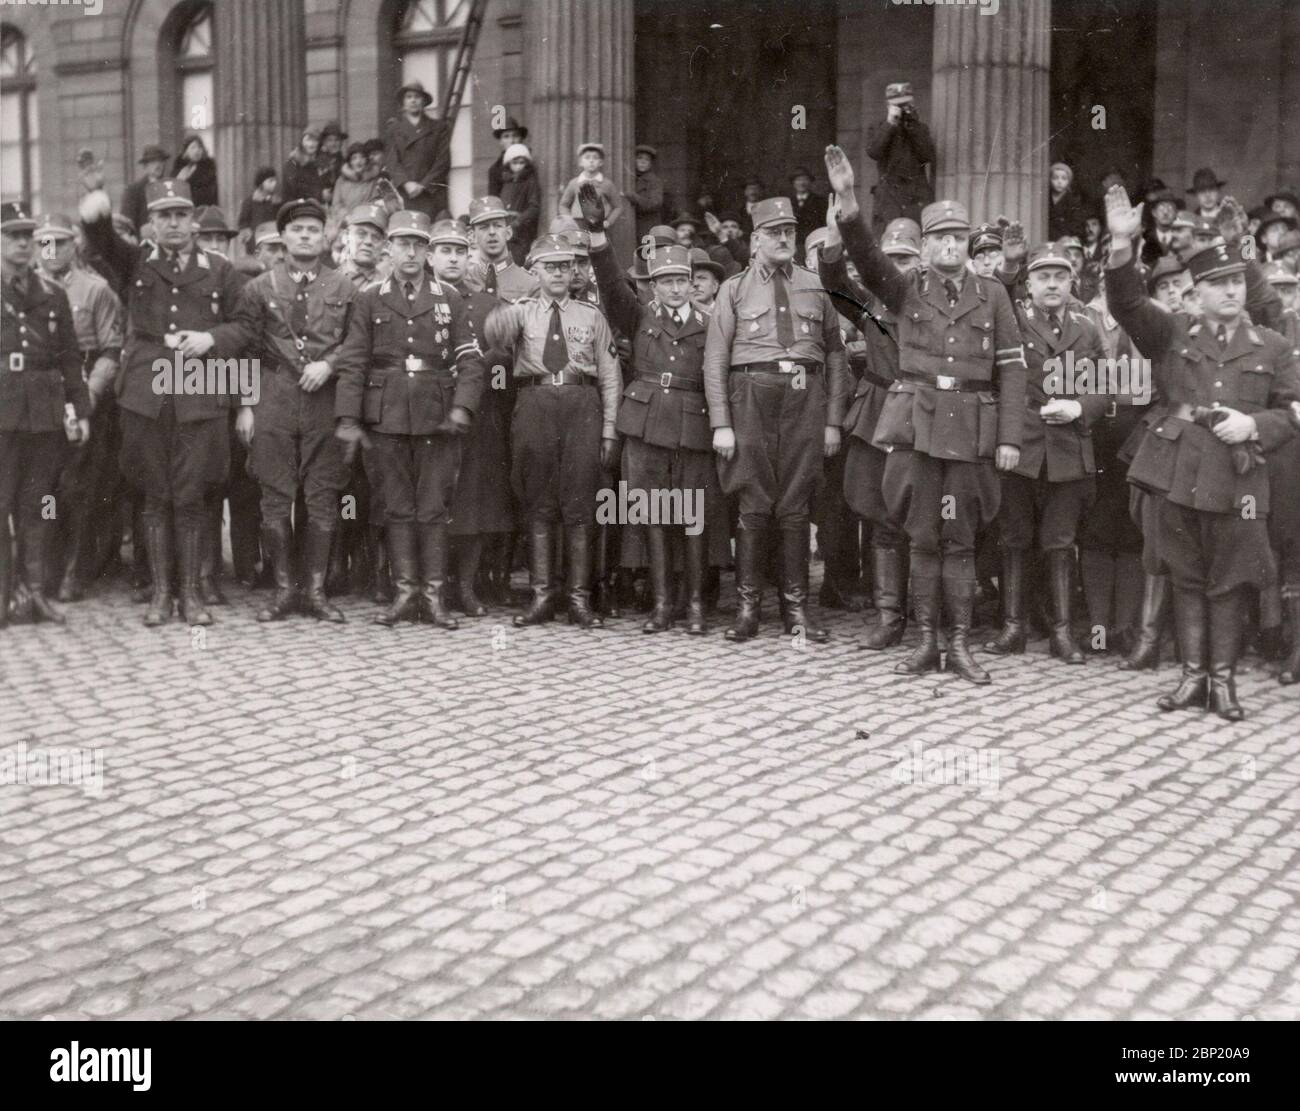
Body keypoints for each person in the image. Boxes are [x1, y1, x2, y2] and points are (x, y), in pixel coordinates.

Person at [824, 143, 1027, 685]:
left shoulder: (994, 295)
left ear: (966, 243)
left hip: (971, 427)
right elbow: (866, 258)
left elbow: (1011, 369)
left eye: (958, 238)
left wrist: (1009, 437)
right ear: (926, 245)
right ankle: (925, 642)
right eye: (939, 238)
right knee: (920, 535)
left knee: (959, 539)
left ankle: (960, 644)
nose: (949, 247)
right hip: (916, 426)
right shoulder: (906, 289)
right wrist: (846, 198)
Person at [1104, 183, 1300, 721]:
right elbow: (1124, 302)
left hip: (1239, 478)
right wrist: (1123, 245)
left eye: (1237, 281)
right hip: (1179, 470)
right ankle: (1192, 678)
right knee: (1185, 575)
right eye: (1219, 284)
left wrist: (1254, 424)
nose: (1232, 292)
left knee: (1231, 580)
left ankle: (1224, 683)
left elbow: (1293, 412)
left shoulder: (1272, 346)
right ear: (1197, 291)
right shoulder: (1171, 334)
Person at [79, 177, 245, 627]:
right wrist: (95, 212)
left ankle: (191, 595)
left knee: (190, 496)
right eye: (163, 216)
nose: (173, 224)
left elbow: (245, 327)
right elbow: (103, 241)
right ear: (150, 224)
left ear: (193, 220)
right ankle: (160, 594)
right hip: (147, 393)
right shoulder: (136, 263)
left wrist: (210, 337)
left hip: (199, 390)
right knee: (154, 495)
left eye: (180, 215)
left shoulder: (219, 269)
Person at [703, 196, 848, 644]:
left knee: (796, 501)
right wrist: (721, 423)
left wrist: (833, 421)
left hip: (805, 396)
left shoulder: (815, 285)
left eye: (789, 231)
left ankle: (796, 607)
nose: (784, 238)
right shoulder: (733, 289)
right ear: (755, 240)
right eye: (774, 232)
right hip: (750, 393)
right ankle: (749, 607)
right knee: (752, 498)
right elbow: (715, 359)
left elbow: (836, 354)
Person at [334, 210, 486, 627]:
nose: (412, 252)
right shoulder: (370, 297)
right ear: (389, 248)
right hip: (384, 415)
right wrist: (349, 416)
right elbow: (353, 361)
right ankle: (404, 594)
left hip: (438, 414)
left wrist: (463, 406)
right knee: (397, 507)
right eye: (404, 243)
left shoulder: (449, 298)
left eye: (420, 244)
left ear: (429, 252)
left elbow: (470, 360)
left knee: (433, 507)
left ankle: (433, 596)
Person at [582, 184, 715, 634]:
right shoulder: (638, 316)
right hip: (644, 424)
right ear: (653, 286)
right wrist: (597, 233)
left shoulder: (710, 324)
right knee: (654, 514)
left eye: (682, 281)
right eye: (666, 282)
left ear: (692, 284)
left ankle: (694, 606)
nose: (675, 289)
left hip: (694, 426)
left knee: (692, 516)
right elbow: (609, 283)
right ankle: (662, 606)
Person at [226, 198, 357, 623]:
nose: (305, 236)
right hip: (274, 394)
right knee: (275, 495)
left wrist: (330, 364)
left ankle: (315, 592)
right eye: (297, 229)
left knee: (323, 495)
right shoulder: (258, 288)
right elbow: (244, 350)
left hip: (324, 399)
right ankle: (284, 591)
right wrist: (246, 407)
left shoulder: (344, 287)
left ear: (325, 238)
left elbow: (357, 345)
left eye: (313, 230)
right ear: (283, 237)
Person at [483, 234, 621, 629]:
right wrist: (502, 318)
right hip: (534, 405)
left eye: (565, 266)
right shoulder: (521, 312)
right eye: (550, 266)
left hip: (582, 405)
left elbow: (610, 376)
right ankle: (542, 596)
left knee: (581, 507)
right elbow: (493, 339)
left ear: (574, 271)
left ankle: (579, 599)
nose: (559, 273)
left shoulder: (591, 315)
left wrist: (609, 430)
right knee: (538, 504)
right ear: (535, 271)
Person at [983, 235, 1108, 664]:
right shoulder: (1012, 321)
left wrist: (1080, 405)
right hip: (1020, 445)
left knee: (1060, 541)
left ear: (1072, 283)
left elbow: (1110, 384)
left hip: (1068, 447)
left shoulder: (1087, 328)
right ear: (1029, 284)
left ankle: (1060, 632)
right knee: (1014, 537)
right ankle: (1013, 627)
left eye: (1060, 277)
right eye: (1043, 277)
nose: (1052, 285)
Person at [819, 214, 920, 648]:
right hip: (878, 413)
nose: (897, 267)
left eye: (905, 258)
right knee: (880, 515)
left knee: (926, 517)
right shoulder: (872, 304)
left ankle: (927, 610)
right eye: (890, 257)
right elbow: (835, 282)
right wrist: (833, 237)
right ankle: (889, 615)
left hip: (922, 416)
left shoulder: (933, 304)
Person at [1, 203, 90, 626]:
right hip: (2, 412)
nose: (21, 243)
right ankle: (3, 598)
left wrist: (80, 409)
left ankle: (35, 592)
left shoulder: (52, 294)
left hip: (45, 412)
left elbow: (70, 358)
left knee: (39, 504)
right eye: (12, 236)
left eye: (27, 236)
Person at [33, 213, 123, 604]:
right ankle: (45, 568)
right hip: (39, 396)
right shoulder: (22, 289)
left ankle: (75, 569)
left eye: (60, 242)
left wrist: (88, 394)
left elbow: (111, 350)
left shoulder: (95, 290)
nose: (51, 250)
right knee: (45, 489)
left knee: (79, 489)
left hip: (85, 393)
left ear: (74, 246)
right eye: (44, 243)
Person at [864, 82, 935, 233]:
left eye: (906, 104)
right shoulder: (878, 127)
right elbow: (873, 152)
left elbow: (927, 155)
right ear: (887, 105)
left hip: (915, 199)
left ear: (912, 103)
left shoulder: (920, 128)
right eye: (897, 105)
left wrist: (912, 125)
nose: (902, 109)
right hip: (889, 197)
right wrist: (890, 124)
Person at [383, 81, 453, 220]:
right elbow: (392, 161)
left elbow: (443, 161)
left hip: (431, 194)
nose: (413, 100)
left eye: (417, 97)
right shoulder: (394, 130)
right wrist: (406, 183)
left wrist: (423, 185)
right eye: (409, 97)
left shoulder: (439, 128)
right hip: (405, 194)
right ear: (403, 102)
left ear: (424, 101)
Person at [466, 195, 539, 302]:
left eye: (497, 226)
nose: (492, 232)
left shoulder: (530, 284)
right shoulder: (465, 281)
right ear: (472, 236)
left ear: (508, 233)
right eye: (484, 227)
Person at [558, 143, 622, 230]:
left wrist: (608, 222)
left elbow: (618, 206)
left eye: (595, 158)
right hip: (578, 225)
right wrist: (569, 220)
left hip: (599, 225)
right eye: (587, 157)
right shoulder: (574, 183)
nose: (591, 161)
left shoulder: (607, 184)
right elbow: (563, 205)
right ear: (581, 162)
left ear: (601, 162)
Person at [327, 143, 383, 239]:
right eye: (354, 158)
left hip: (367, 223)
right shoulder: (341, 180)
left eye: (362, 157)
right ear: (350, 162)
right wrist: (346, 217)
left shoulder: (374, 181)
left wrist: (360, 218)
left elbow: (375, 203)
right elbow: (336, 204)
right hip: (344, 223)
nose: (358, 161)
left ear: (367, 161)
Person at [497, 144, 541, 266]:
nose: (518, 166)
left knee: (517, 259)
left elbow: (534, 207)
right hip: (506, 226)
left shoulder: (530, 182)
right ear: (508, 164)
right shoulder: (507, 182)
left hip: (521, 230)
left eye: (522, 163)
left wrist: (518, 222)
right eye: (514, 163)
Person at [121, 146, 170, 242]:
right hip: (143, 245)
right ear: (145, 166)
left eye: (161, 161)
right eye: (153, 162)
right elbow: (127, 223)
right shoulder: (134, 190)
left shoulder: (169, 187)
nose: (158, 165)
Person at [626, 145, 666, 244]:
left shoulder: (654, 181)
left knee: (648, 255)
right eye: (639, 158)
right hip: (631, 225)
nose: (643, 162)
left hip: (647, 226)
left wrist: (635, 197)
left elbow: (655, 203)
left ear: (651, 164)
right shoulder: (629, 178)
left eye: (647, 160)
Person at [236, 167, 281, 255]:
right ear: (261, 183)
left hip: (272, 239)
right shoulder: (249, 201)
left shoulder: (276, 201)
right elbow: (243, 221)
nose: (274, 184)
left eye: (275, 180)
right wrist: (247, 235)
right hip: (255, 242)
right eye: (270, 181)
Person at [488, 116, 530, 198]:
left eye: (515, 136)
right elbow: (494, 201)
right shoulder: (495, 170)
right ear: (501, 142)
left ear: (521, 139)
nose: (512, 141)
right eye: (506, 136)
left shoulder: (530, 164)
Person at [172, 134, 218, 208]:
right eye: (193, 147)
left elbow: (209, 195)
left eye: (199, 147)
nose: (197, 150)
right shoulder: (179, 169)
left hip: (201, 210)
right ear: (186, 152)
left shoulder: (208, 170)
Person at [1048, 162, 1087, 242]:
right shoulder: (1045, 198)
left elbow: (1077, 224)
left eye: (1064, 178)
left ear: (1069, 181)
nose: (1059, 182)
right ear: (1050, 179)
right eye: (1055, 178)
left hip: (1065, 240)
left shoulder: (1073, 201)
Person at [788, 168, 824, 254]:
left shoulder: (820, 201)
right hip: (794, 244)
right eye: (798, 180)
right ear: (793, 183)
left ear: (810, 182)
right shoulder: (787, 201)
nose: (802, 183)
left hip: (814, 243)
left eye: (805, 179)